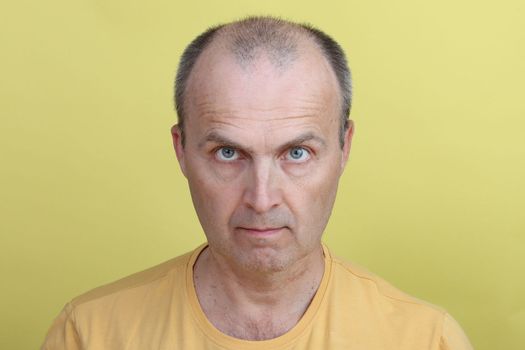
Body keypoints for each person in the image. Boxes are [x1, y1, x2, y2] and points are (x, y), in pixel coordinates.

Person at [41, 16, 473, 349]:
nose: (262, 199)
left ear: (344, 148)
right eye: (228, 153)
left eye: (296, 153)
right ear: (181, 149)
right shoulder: (91, 333)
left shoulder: (426, 339)